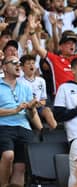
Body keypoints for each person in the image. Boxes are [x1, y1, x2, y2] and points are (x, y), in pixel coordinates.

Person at [28, 15, 77, 93]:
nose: (72, 45)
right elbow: (37, 48)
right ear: (61, 47)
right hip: (60, 99)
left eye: (74, 43)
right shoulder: (54, 59)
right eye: (69, 43)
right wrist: (32, 30)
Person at [0, 56, 41, 186]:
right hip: (4, 127)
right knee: (8, 155)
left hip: (24, 127)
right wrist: (14, 110)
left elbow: (31, 114)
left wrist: (32, 108)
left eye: (19, 63)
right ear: (4, 67)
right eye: (14, 63)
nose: (18, 65)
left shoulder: (26, 87)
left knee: (21, 167)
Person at [18, 54, 57, 129]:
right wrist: (31, 105)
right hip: (26, 108)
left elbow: (43, 100)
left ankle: (54, 129)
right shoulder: (19, 82)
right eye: (28, 63)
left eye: (33, 63)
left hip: (39, 107)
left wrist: (40, 103)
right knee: (33, 109)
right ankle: (40, 131)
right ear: (22, 68)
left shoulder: (41, 80)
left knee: (47, 110)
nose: (31, 65)